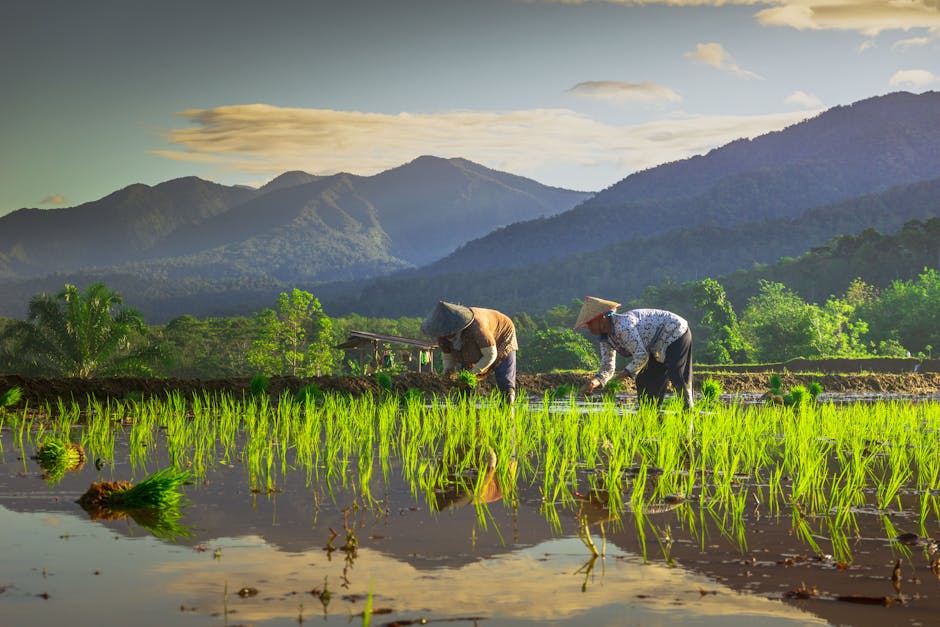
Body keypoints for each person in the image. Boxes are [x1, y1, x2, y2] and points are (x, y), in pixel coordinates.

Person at [575, 296, 693, 408]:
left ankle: (688, 409)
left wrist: (620, 377)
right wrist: (593, 383)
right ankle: (649, 414)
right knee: (645, 380)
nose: (589, 328)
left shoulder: (623, 326)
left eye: (590, 323)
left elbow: (641, 357)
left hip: (675, 331)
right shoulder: (605, 338)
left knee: (676, 373)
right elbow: (607, 366)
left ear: (602, 318)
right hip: (654, 346)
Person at [421, 301, 518, 403]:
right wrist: (448, 374)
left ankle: (509, 407)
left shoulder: (477, 327)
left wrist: (471, 374)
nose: (447, 335)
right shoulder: (442, 336)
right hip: (471, 350)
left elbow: (490, 354)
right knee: (464, 384)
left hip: (501, 335)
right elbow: (448, 358)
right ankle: (463, 405)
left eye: (449, 332)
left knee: (505, 382)